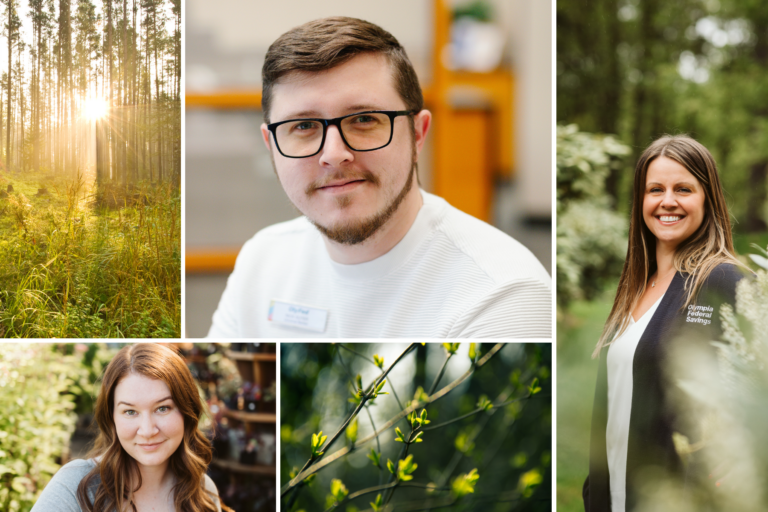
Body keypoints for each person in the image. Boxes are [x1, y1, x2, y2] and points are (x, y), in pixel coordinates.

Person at [208, 16, 551, 338]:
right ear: (271, 146)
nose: (333, 154)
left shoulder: (501, 293)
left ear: (418, 132)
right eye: (304, 126)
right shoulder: (263, 260)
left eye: (364, 120)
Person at [583, 135, 750, 512]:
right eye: (655, 189)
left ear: (708, 199)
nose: (668, 201)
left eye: (684, 189)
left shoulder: (725, 282)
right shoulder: (635, 288)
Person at [32, 344, 229, 512]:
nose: (147, 430)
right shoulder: (76, 485)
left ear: (187, 411)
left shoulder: (202, 493)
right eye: (130, 412)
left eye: (162, 408)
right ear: (112, 418)